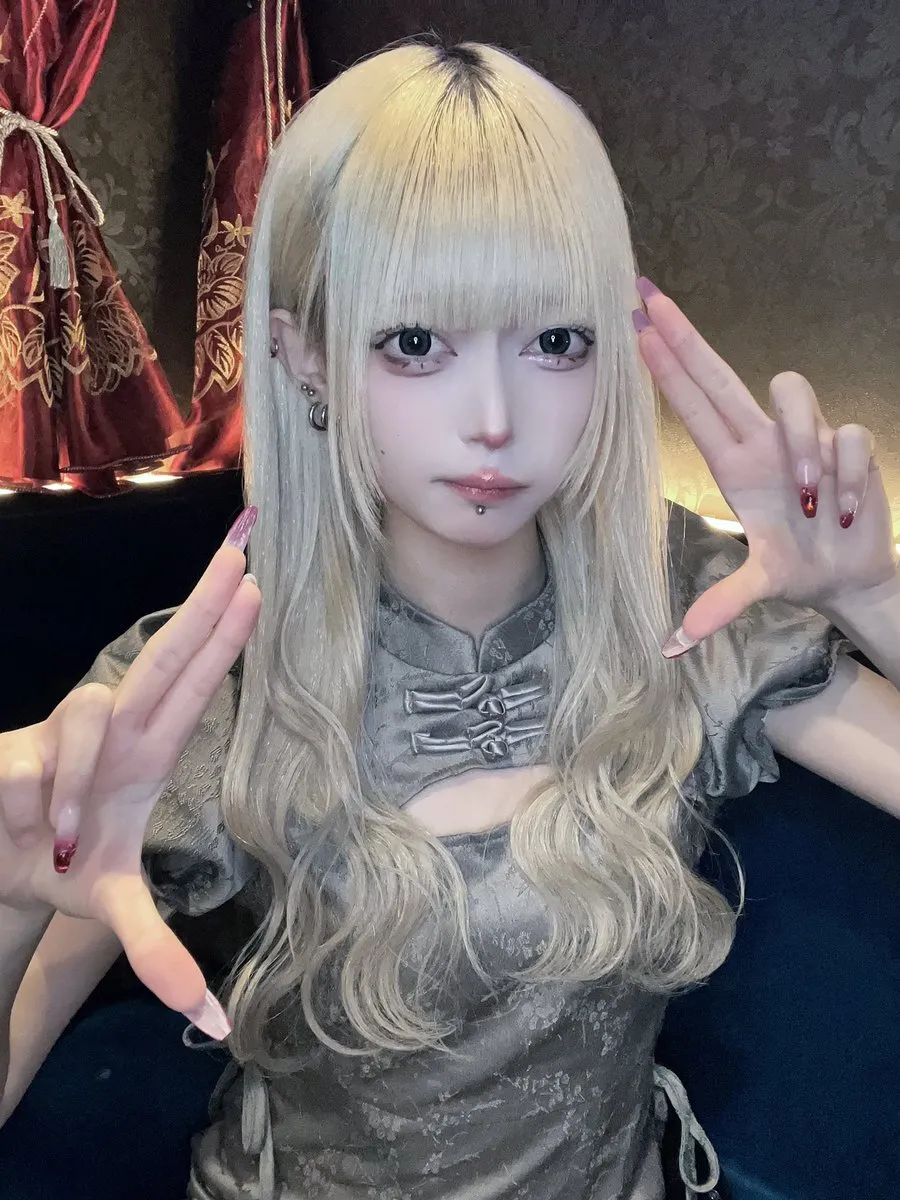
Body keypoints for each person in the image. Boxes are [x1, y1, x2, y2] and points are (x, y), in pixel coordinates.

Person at [1, 38, 898, 1200]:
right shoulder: (203, 682)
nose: (495, 419)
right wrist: (12, 898)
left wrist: (869, 597)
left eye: (555, 342)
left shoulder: (683, 595)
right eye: (416, 343)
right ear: (304, 355)